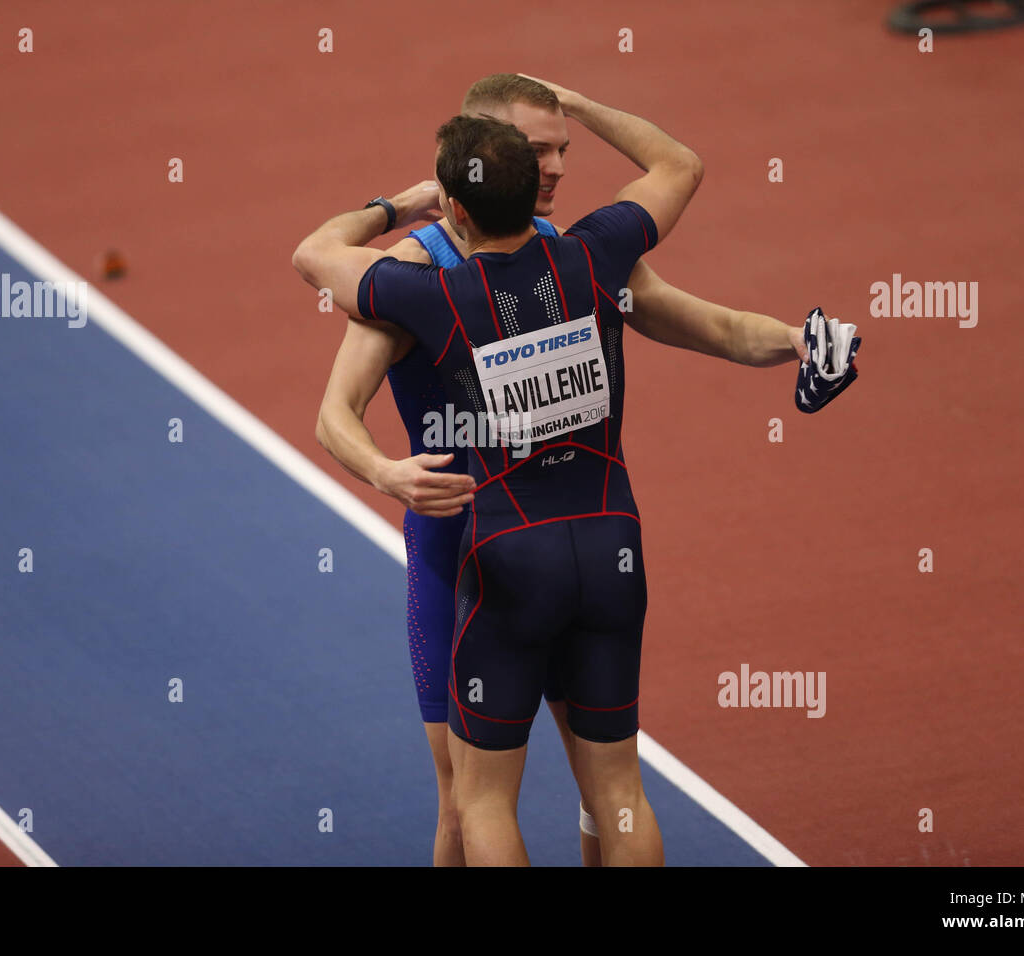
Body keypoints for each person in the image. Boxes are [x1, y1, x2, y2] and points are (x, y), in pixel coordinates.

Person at [313, 74, 804, 866]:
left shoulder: (566, 253)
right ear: (485, 156)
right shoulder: (422, 272)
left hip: (512, 553)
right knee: (465, 801)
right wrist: (383, 472)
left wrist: (790, 338)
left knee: (571, 794)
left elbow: (704, 324)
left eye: (563, 149)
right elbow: (337, 410)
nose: (555, 169)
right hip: (480, 553)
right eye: (535, 150)